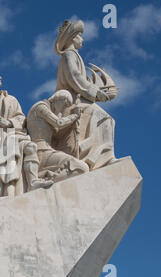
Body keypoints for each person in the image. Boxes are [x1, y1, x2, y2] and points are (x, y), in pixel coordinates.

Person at [0, 68, 52, 197]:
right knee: (6, 154)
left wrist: (8, 123)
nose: (0, 77)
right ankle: (5, 193)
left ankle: (33, 181)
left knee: (30, 146)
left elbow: (21, 117)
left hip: (12, 135)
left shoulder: (11, 100)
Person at [55, 19, 117, 169]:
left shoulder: (74, 55)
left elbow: (79, 79)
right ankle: (97, 157)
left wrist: (98, 91)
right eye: (80, 36)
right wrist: (96, 93)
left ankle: (101, 155)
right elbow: (74, 77)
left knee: (108, 120)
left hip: (80, 99)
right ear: (73, 37)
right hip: (72, 102)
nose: (82, 39)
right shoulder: (69, 54)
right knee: (104, 118)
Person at [27, 90, 89, 182]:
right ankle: (45, 180)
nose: (64, 108)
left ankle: (46, 179)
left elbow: (58, 129)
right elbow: (59, 123)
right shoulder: (40, 107)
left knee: (82, 167)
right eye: (65, 104)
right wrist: (75, 115)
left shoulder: (48, 109)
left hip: (48, 151)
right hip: (41, 151)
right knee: (80, 167)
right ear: (59, 99)